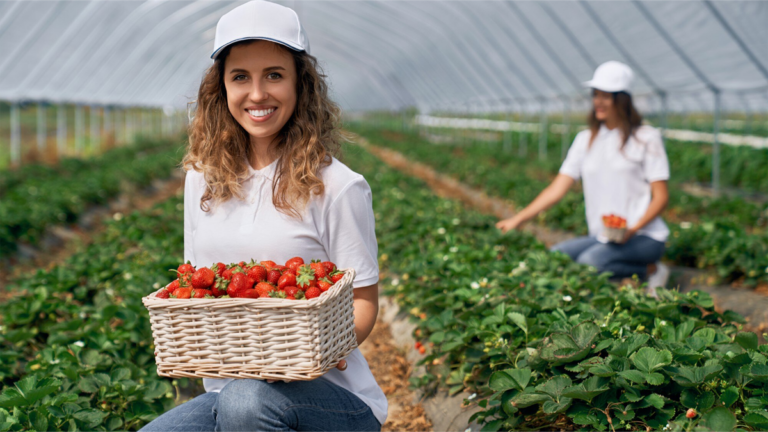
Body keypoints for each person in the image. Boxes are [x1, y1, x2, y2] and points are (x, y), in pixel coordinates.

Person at [140, 2, 386, 431]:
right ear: (221, 89)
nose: (257, 94)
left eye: (274, 74)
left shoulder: (338, 186)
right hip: (226, 393)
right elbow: (199, 287)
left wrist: (324, 347)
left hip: (331, 400)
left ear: (300, 84)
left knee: (247, 401)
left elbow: (363, 301)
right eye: (241, 77)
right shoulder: (202, 180)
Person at [496, 61, 670, 295]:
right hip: (605, 235)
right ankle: (638, 269)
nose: (598, 101)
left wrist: (632, 228)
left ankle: (648, 269)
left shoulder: (645, 138)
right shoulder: (585, 140)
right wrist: (518, 220)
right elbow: (557, 189)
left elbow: (661, 197)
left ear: (622, 100)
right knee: (556, 257)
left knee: (589, 263)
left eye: (606, 96)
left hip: (644, 237)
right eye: (595, 94)